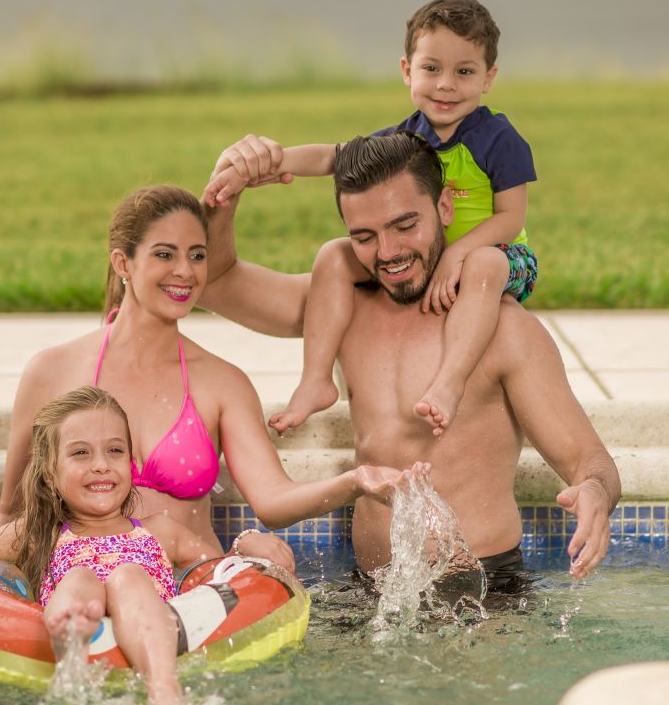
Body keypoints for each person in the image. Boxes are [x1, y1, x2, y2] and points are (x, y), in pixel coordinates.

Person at [200, 133, 620, 589]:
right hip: (370, 591)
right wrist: (225, 190)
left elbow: (590, 461)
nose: (387, 253)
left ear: (444, 208)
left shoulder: (502, 329)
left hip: (483, 595)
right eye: (364, 236)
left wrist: (595, 492)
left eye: (405, 226)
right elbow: (218, 283)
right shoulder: (340, 309)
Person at [0, 184, 410, 573]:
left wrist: (355, 483)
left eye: (198, 254)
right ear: (123, 263)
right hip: (84, 586)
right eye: (165, 254)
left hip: (193, 591)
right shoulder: (53, 371)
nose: (186, 272)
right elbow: (12, 511)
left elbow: (273, 499)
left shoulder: (222, 383)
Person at [205, 0, 538, 438]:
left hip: (497, 259)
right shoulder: (404, 140)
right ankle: (315, 379)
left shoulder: (499, 139)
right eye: (432, 68)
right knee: (334, 255)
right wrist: (270, 161)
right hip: (429, 257)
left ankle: (450, 381)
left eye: (464, 71)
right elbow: (332, 155)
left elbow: (511, 218)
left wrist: (459, 253)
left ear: (488, 78)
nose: (445, 85)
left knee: (486, 264)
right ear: (407, 71)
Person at [0, 387, 289, 705]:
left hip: (146, 613)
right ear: (49, 474)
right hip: (75, 606)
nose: (101, 464)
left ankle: (163, 691)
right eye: (81, 453)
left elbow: (216, 567)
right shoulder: (39, 533)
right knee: (80, 578)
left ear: (129, 465)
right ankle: (71, 641)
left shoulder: (159, 531)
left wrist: (249, 541)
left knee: (127, 576)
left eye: (114, 451)